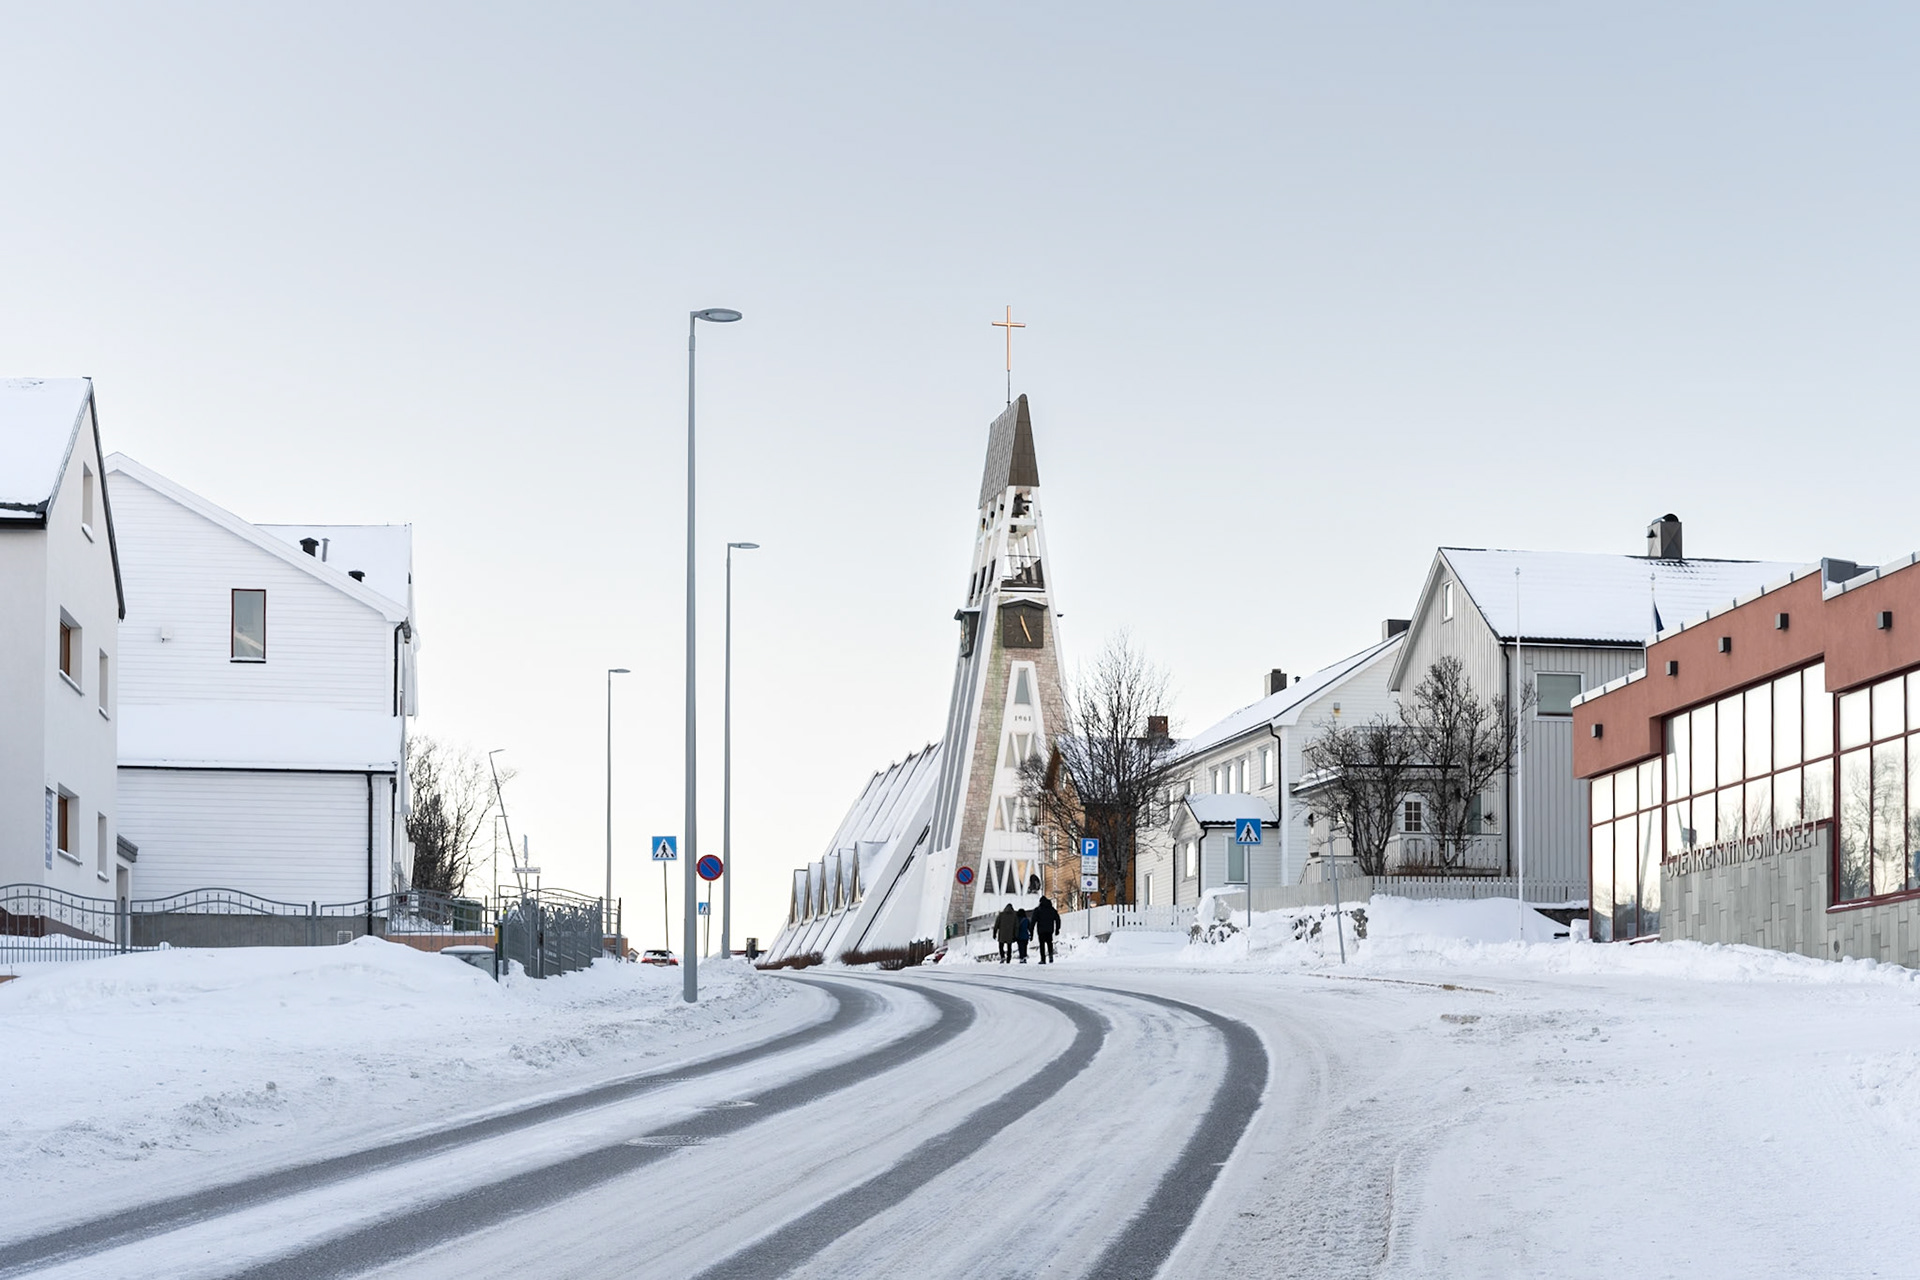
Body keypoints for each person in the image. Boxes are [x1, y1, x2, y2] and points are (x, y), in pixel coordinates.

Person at [1032, 894, 1061, 964]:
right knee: (1049, 943)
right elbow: (1057, 919)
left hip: (1041, 930)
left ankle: (1043, 959)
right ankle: (1050, 956)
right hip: (1049, 930)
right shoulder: (1052, 910)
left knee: (1042, 945)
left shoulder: (1038, 910)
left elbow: (1033, 921)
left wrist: (1031, 931)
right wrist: (1057, 929)